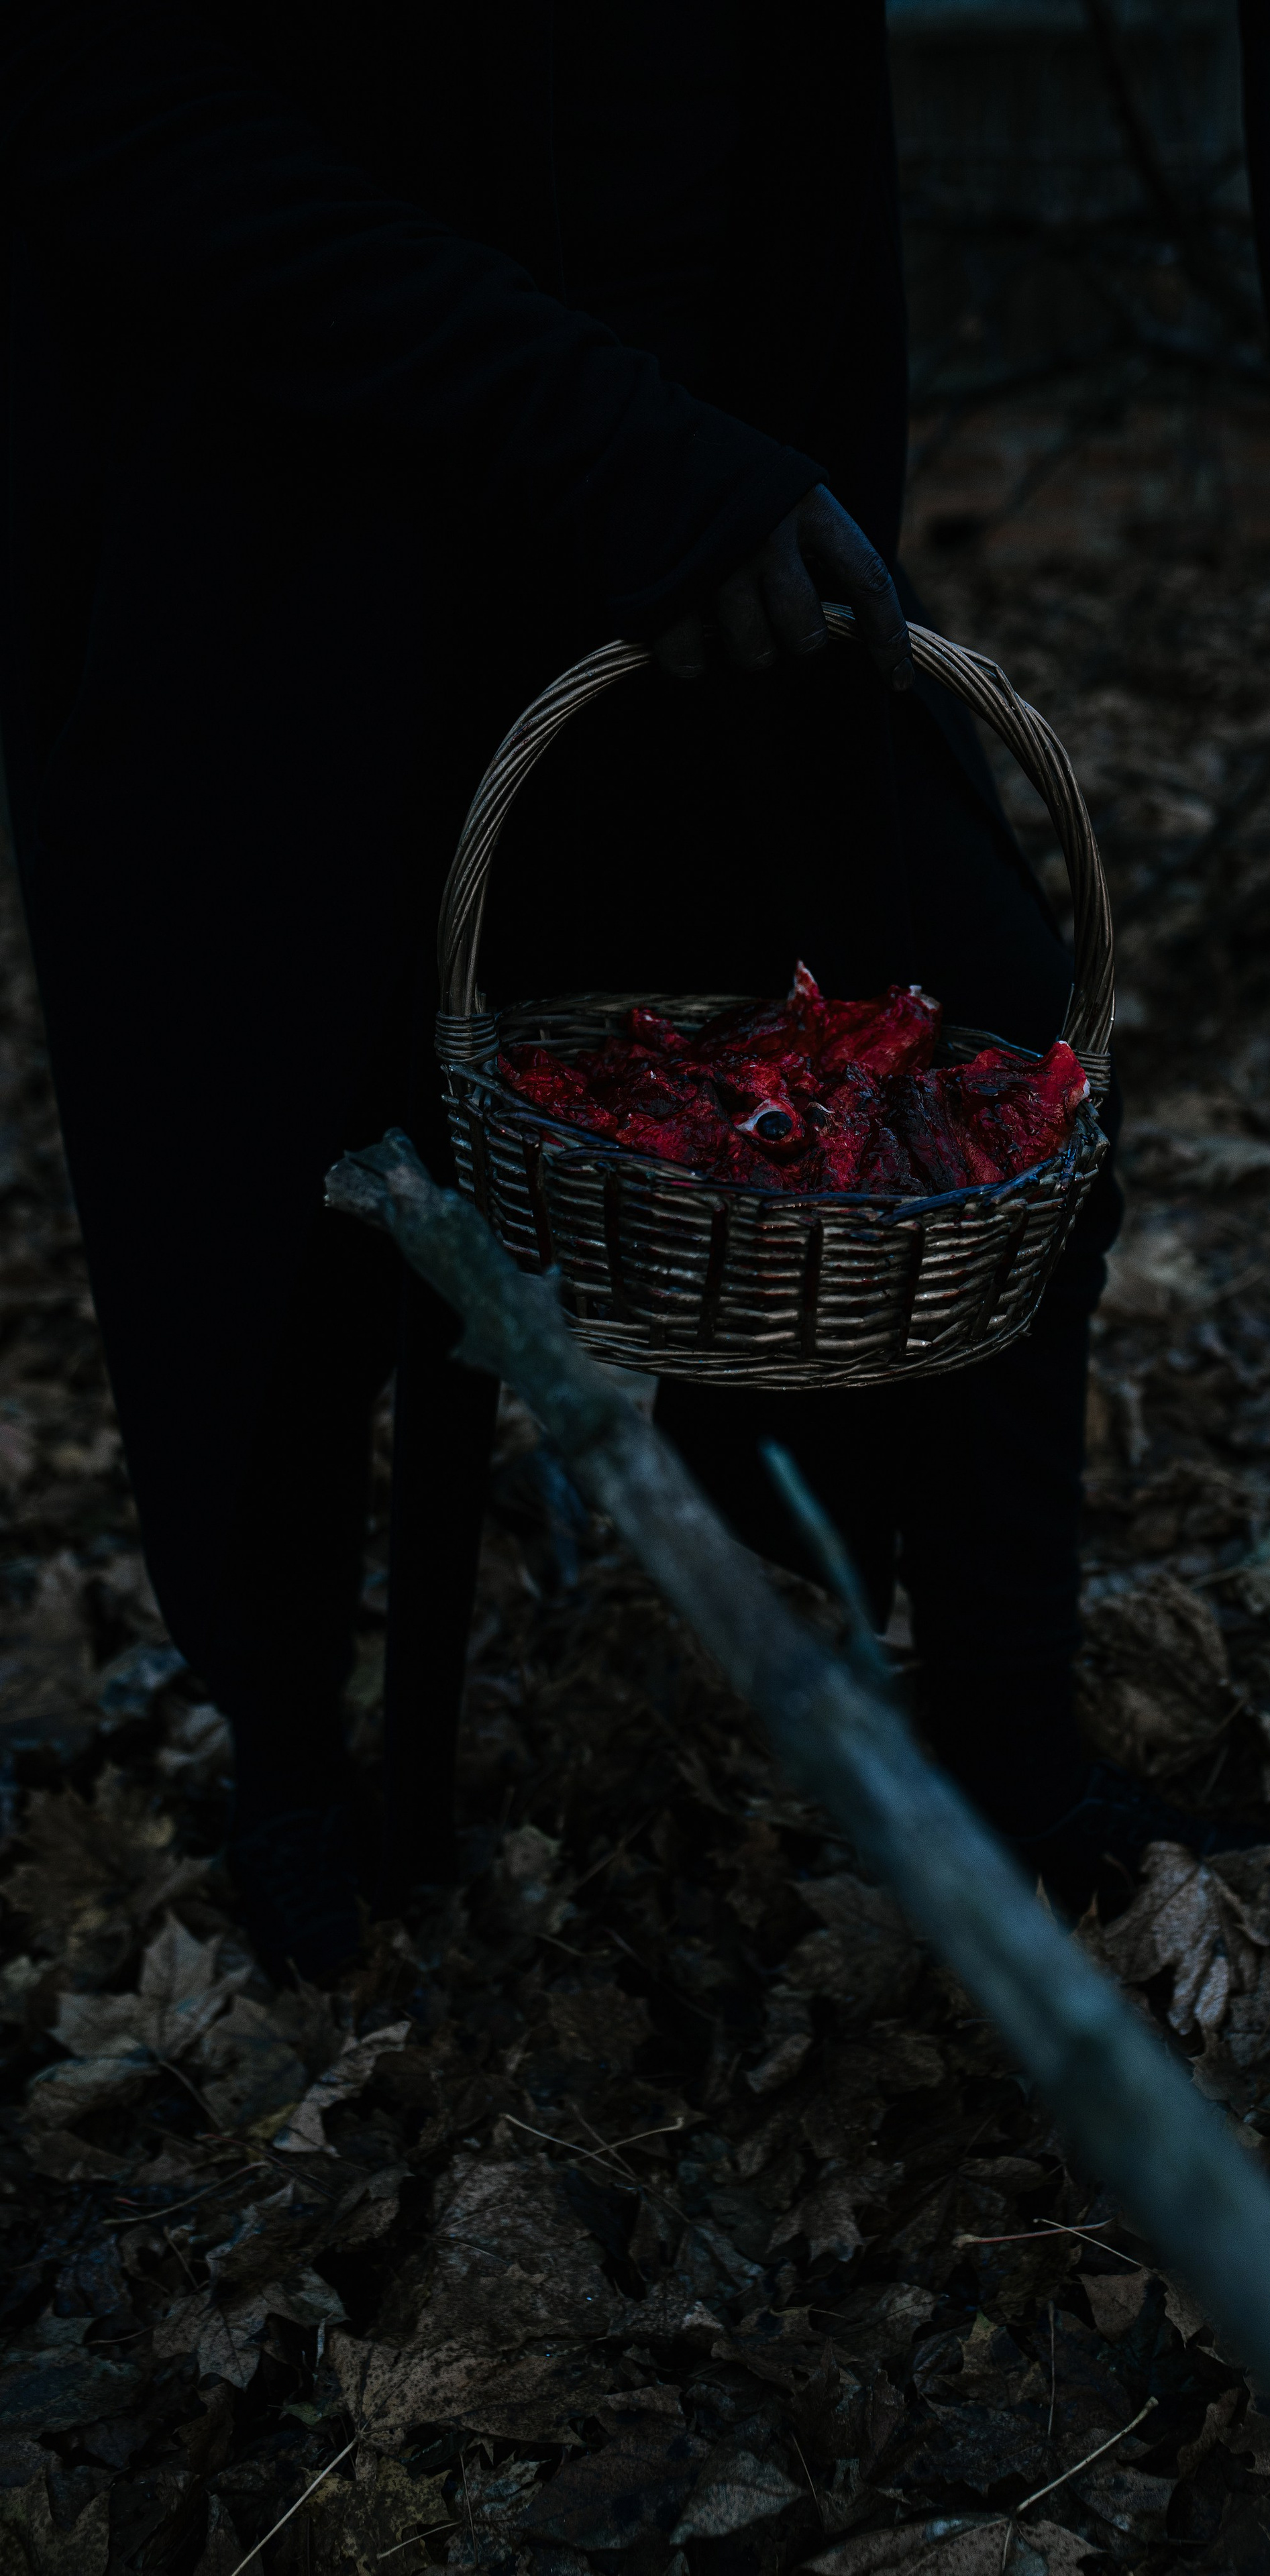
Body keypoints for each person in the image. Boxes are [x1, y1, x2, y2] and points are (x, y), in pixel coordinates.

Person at [0, 0, 1198, 1977]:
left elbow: (778, 150)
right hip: (272, 524)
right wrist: (590, 426)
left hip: (692, 534)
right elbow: (97, 91)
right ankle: (291, 1746)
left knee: (983, 1031)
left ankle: (1003, 1750)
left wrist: (780, 542)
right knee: (270, 1145)